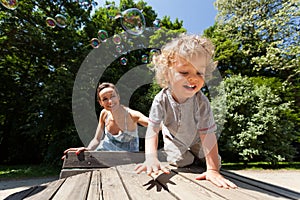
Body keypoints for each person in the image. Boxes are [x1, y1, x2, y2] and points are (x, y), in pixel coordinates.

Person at [134, 34, 237, 189]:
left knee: (209, 159)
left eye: (199, 73)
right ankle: (190, 158)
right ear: (167, 74)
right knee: (182, 162)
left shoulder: (201, 102)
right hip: (174, 140)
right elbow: (153, 130)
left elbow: (208, 135)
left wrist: (213, 169)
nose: (193, 78)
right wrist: (151, 158)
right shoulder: (160, 99)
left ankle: (202, 160)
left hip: (197, 139)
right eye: (184, 73)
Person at [62, 82, 148, 159]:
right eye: (105, 99)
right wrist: (88, 149)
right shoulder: (104, 114)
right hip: (104, 155)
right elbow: (97, 139)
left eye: (112, 96)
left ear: (118, 97)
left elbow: (153, 124)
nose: (110, 101)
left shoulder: (131, 115)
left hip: (128, 160)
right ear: (100, 103)